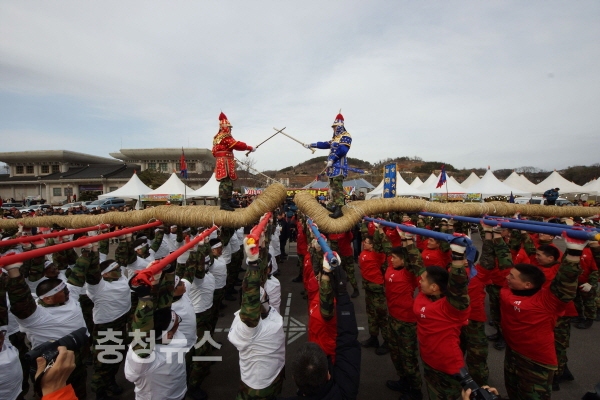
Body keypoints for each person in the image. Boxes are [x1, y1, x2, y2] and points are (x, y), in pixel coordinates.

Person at [480, 222, 587, 400]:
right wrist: (495, 233)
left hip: (536, 362)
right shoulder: (508, 289)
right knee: (512, 392)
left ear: (527, 284)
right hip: (512, 353)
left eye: (512, 277)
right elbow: (504, 259)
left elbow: (565, 282)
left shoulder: (546, 302)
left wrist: (574, 251)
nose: (507, 277)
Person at [283, 251, 361, 399]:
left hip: (327, 356)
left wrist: (326, 274)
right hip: (316, 352)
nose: (317, 278)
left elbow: (326, 306)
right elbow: (313, 276)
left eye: (321, 278)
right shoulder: (316, 294)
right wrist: (318, 254)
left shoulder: (330, 307)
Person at [228, 236, 286, 399]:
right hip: (258, 387)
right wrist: (252, 264)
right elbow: (252, 298)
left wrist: (261, 249)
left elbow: (257, 283)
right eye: (265, 299)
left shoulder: (258, 316)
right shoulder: (249, 327)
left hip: (273, 376)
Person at [412, 238, 470, 400]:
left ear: (434, 287)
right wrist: (407, 240)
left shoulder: (451, 308)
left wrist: (457, 258)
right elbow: (417, 266)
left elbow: (458, 288)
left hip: (447, 367)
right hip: (428, 360)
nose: (420, 281)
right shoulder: (424, 294)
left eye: (423, 280)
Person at [305, 112, 352, 219]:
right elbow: (324, 144)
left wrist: (333, 158)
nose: (333, 129)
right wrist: (310, 145)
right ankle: (333, 205)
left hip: (339, 166)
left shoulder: (346, 136)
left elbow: (343, 150)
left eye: (335, 127)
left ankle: (339, 208)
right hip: (332, 167)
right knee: (332, 187)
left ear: (340, 126)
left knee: (337, 187)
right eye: (333, 127)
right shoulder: (335, 139)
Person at [212, 112, 256, 211]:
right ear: (226, 127)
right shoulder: (225, 136)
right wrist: (249, 147)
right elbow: (236, 144)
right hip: (225, 162)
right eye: (229, 128)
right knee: (226, 182)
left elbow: (214, 152)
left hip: (223, 161)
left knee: (228, 182)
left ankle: (228, 201)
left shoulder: (216, 138)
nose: (230, 129)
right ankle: (224, 203)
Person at [358, 225, 391, 355]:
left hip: (377, 288)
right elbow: (363, 233)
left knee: (381, 316)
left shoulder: (378, 254)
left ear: (372, 245)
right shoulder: (364, 252)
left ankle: (387, 341)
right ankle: (373, 338)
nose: (364, 244)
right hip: (368, 288)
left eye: (366, 243)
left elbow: (384, 245)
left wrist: (380, 230)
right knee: (371, 314)